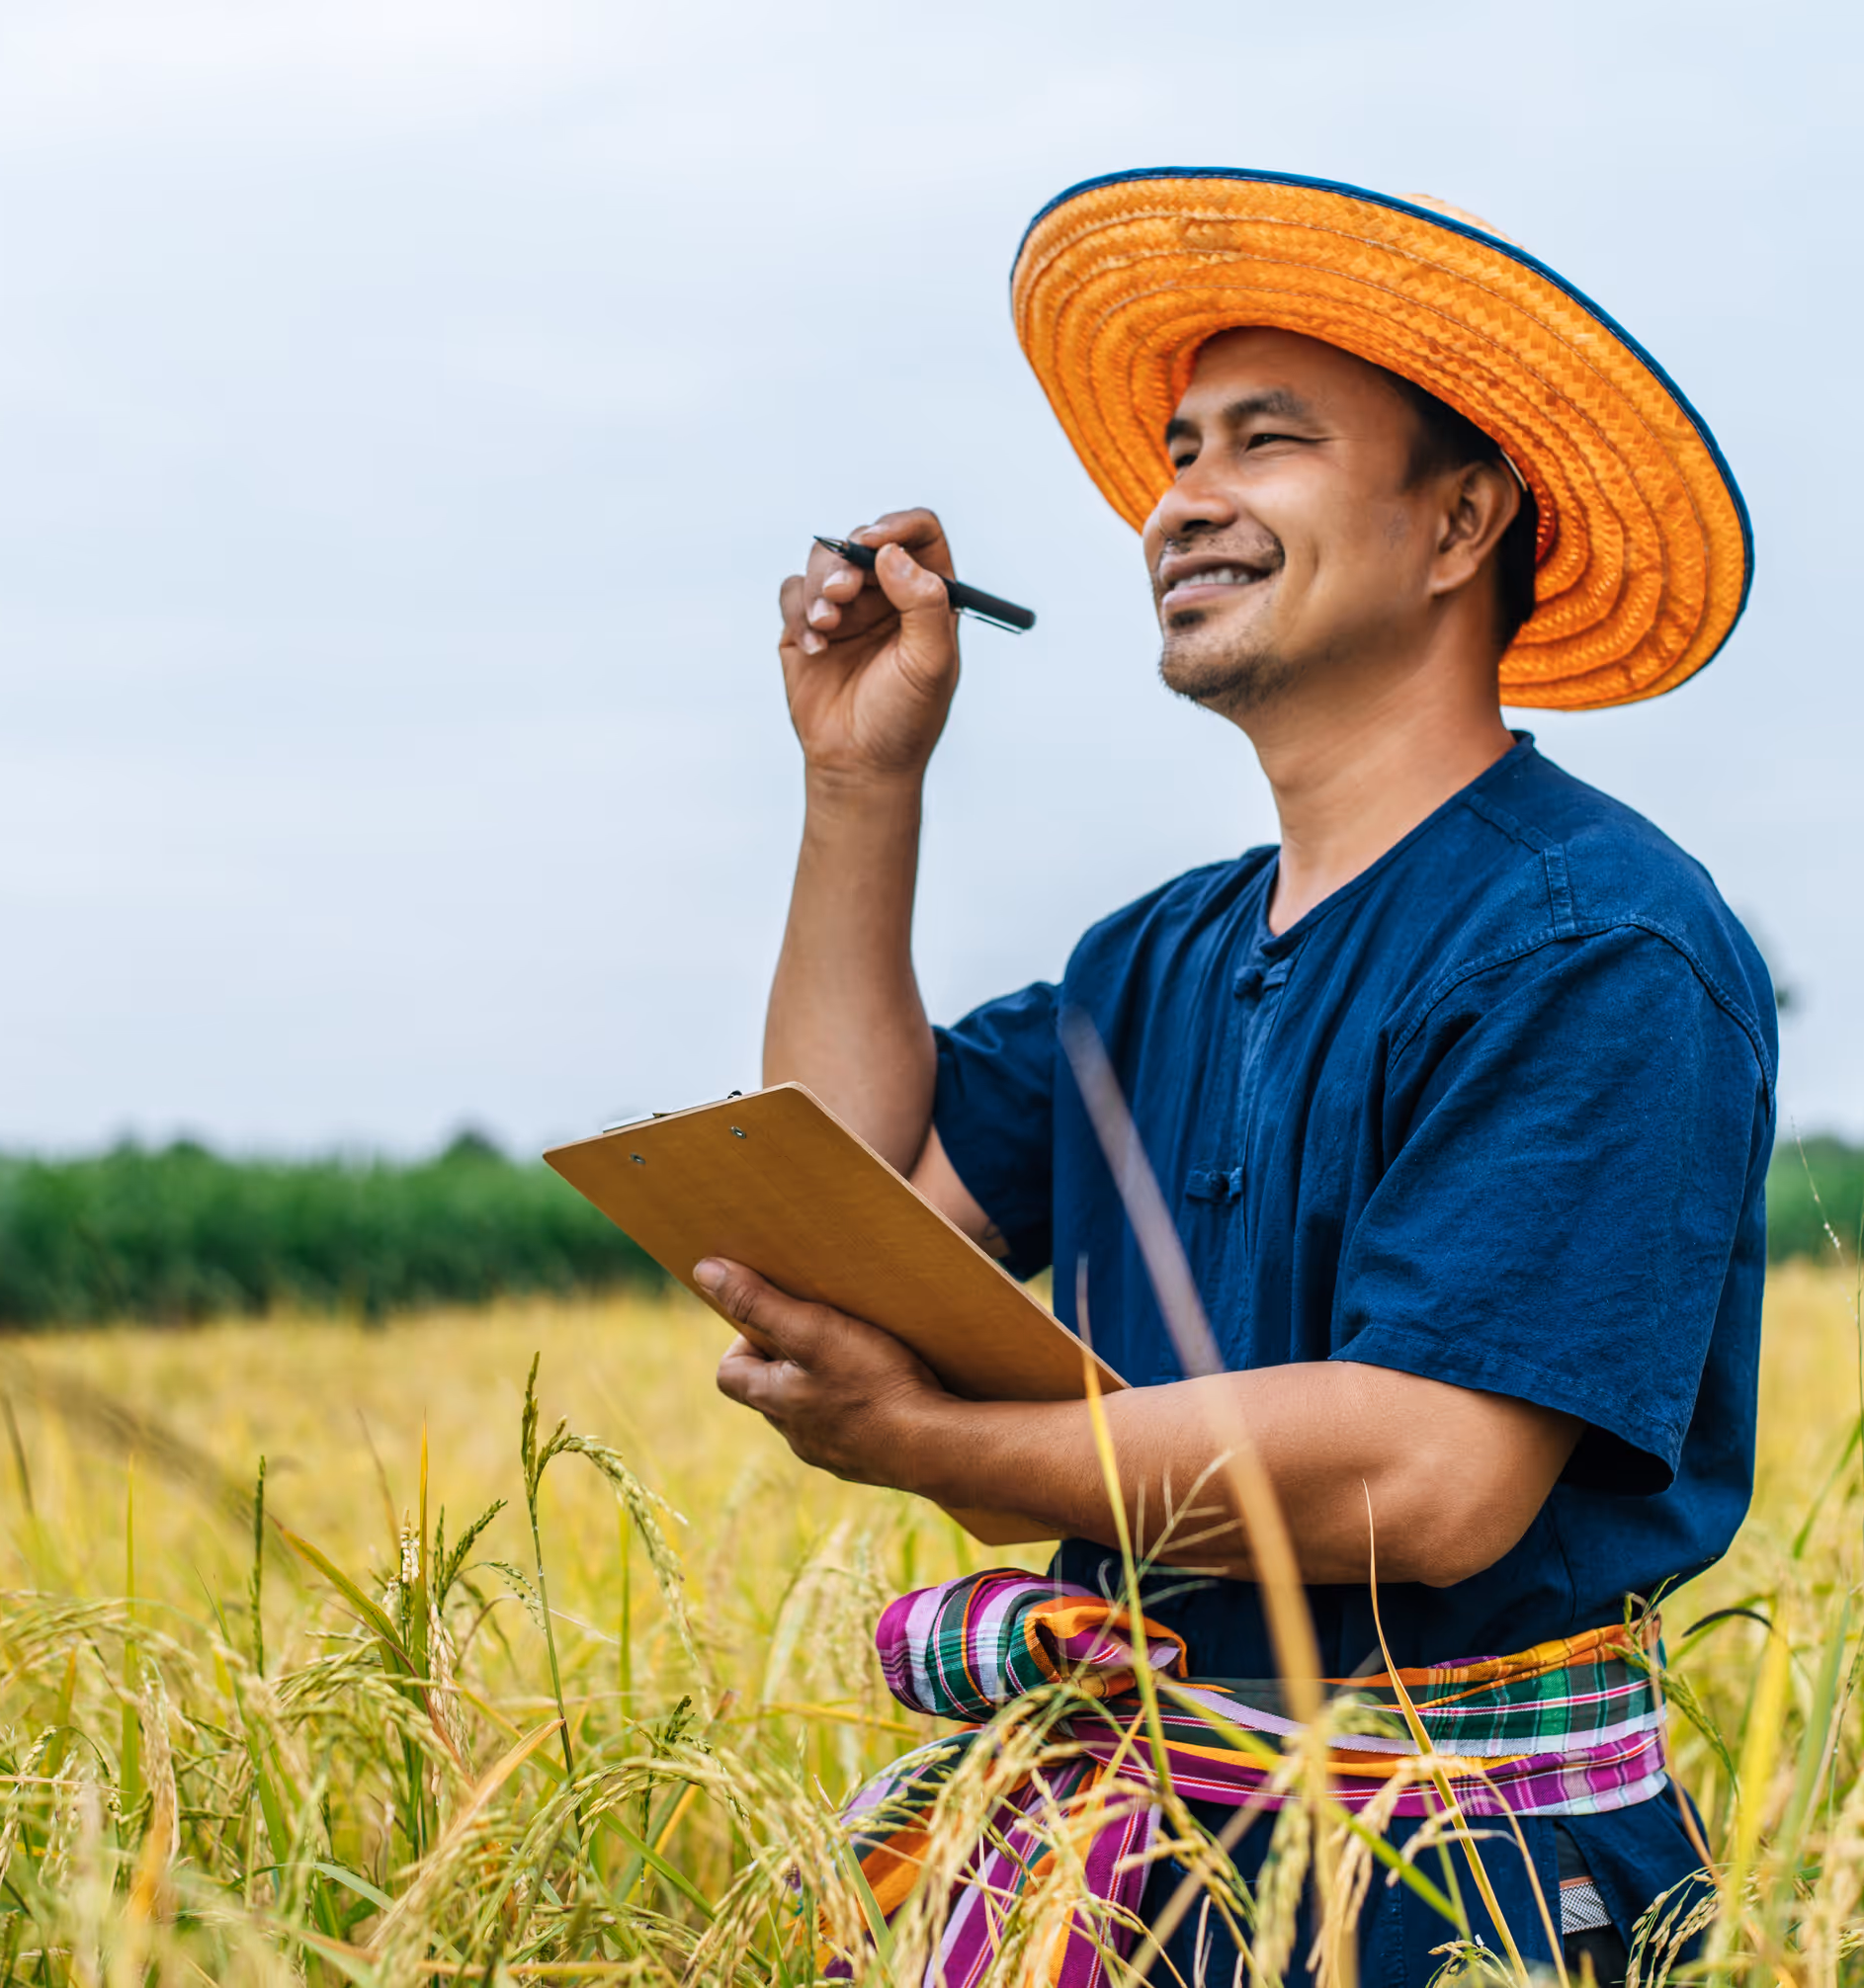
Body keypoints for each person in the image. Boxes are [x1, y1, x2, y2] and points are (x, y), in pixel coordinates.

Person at [699, 169, 1773, 1985]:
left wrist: (946, 1452)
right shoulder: (1156, 962)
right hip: (1126, 1858)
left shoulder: (1595, 947)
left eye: (1262, 444)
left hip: (1458, 1884)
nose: (1180, 500)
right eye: (1179, 451)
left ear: (1460, 523)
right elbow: (848, 1207)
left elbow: (1434, 1477)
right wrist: (860, 783)